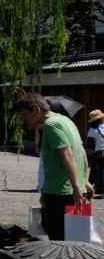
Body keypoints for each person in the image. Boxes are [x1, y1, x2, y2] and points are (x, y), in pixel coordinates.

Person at [14, 93, 93, 241]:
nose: (24, 120)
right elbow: (81, 153)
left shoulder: (51, 125)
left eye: (24, 115)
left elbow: (67, 154)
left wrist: (76, 187)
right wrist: (84, 181)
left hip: (58, 194)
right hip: (74, 193)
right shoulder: (66, 121)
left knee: (59, 243)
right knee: (77, 240)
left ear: (36, 109)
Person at [88, 109, 104, 196]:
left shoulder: (92, 130)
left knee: (97, 171)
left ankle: (99, 189)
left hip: (98, 153)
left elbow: (90, 145)